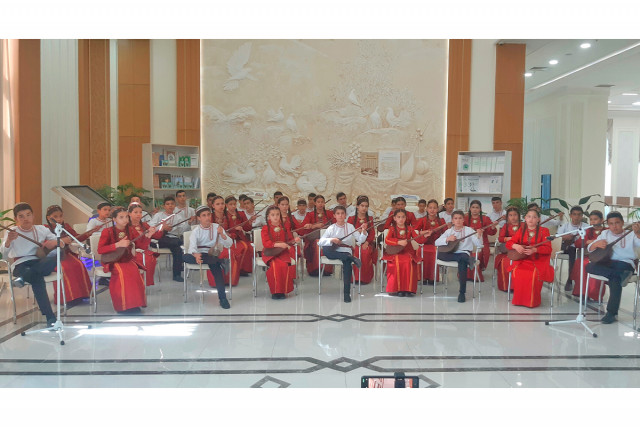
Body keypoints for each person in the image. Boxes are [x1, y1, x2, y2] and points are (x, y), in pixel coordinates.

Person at [1, 203, 59, 326]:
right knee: (37, 278)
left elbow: (56, 242)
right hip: (21, 264)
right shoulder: (12, 232)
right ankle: (50, 317)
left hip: (39, 262)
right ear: (16, 219)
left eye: (28, 215)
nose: (25, 218)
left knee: (53, 259)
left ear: (33, 216)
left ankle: (23, 278)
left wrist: (52, 243)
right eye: (21, 216)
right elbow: (4, 254)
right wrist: (9, 241)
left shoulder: (42, 229)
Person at [586, 212, 640, 324]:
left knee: (614, 280)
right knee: (589, 266)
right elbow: (590, 248)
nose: (614, 226)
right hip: (608, 263)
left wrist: (638, 234)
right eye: (611, 224)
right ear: (608, 225)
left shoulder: (632, 234)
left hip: (625, 263)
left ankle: (611, 313)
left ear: (622, 223)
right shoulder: (605, 233)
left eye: (617, 223)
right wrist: (596, 244)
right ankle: (621, 276)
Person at [97, 206, 147, 313]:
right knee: (122, 273)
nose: (125, 220)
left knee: (135, 272)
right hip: (112, 260)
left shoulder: (130, 230)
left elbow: (141, 245)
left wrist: (148, 235)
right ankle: (122, 306)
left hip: (126, 259)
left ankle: (135, 304)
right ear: (114, 219)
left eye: (126, 217)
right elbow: (100, 249)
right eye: (121, 217)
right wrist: (117, 245)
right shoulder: (107, 231)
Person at [183, 205, 232, 309]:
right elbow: (192, 248)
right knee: (185, 256)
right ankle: (221, 261)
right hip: (200, 255)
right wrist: (196, 255)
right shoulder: (196, 231)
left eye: (208, 215)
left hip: (211, 255)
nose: (207, 218)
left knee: (217, 272)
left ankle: (223, 299)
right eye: (204, 215)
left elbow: (229, 244)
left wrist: (222, 234)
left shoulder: (217, 227)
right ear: (199, 218)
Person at [505, 208, 554, 308]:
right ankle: (519, 300)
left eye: (534, 217)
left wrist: (535, 250)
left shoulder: (544, 231)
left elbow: (548, 249)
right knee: (517, 271)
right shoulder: (521, 230)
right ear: (525, 218)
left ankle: (532, 301)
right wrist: (516, 246)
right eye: (529, 216)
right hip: (523, 259)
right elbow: (509, 243)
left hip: (538, 260)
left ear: (538, 219)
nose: (531, 219)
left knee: (533, 274)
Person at [45, 205, 92, 303]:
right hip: (53, 257)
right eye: (55, 216)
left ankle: (80, 295)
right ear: (49, 218)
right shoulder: (45, 228)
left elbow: (76, 237)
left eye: (61, 216)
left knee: (79, 264)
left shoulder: (66, 227)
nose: (59, 219)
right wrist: (62, 240)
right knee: (64, 268)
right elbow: (46, 244)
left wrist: (88, 233)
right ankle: (67, 298)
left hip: (66, 254)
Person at [319, 206, 367, 302]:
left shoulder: (350, 226)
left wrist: (364, 231)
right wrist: (332, 239)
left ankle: (346, 293)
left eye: (342, 213)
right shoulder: (331, 228)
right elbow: (320, 242)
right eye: (338, 213)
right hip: (334, 251)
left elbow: (360, 240)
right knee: (326, 251)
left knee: (347, 264)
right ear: (334, 216)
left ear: (345, 215)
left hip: (345, 250)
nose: (340, 215)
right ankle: (352, 258)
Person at [435, 210, 483, 303]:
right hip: (451, 253)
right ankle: (469, 260)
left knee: (462, 262)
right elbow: (436, 242)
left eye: (460, 218)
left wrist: (479, 235)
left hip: (463, 253)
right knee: (440, 255)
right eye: (455, 218)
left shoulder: (469, 230)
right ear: (452, 220)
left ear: (463, 220)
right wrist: (447, 239)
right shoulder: (449, 231)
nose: (458, 220)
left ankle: (462, 293)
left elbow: (479, 245)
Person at [383, 209, 430, 297]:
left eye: (403, 217)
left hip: (408, 252)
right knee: (398, 261)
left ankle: (408, 289)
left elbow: (418, 240)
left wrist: (425, 236)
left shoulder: (409, 228)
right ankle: (397, 289)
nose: (401, 219)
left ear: (406, 218)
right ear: (394, 218)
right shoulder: (392, 228)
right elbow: (387, 240)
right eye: (398, 217)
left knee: (408, 261)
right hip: (395, 252)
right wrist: (398, 242)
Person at [261, 206, 300, 299]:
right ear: (268, 216)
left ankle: (282, 291)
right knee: (275, 266)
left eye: (277, 214)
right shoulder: (265, 228)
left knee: (284, 265)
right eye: (273, 215)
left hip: (283, 253)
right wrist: (278, 244)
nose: (275, 217)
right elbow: (266, 243)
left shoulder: (284, 227)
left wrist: (295, 240)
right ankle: (275, 292)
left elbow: (289, 240)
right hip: (270, 252)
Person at [207, 196, 243, 287]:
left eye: (222, 203)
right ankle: (216, 281)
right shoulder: (209, 217)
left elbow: (233, 232)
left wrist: (229, 235)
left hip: (226, 243)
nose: (221, 206)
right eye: (218, 204)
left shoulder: (228, 216)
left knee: (233, 253)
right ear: (213, 206)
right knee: (219, 254)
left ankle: (229, 280)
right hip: (213, 245)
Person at [571, 210, 606, 301]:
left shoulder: (606, 231)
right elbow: (577, 244)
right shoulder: (587, 231)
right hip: (588, 256)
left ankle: (594, 294)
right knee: (581, 262)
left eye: (595, 219)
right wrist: (587, 241)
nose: (593, 222)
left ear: (602, 220)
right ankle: (582, 292)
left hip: (602, 258)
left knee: (589, 264)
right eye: (591, 219)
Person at [150, 195, 184, 282]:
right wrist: (163, 227)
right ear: (164, 206)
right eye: (168, 204)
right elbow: (151, 226)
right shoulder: (158, 215)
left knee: (177, 249)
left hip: (172, 238)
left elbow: (182, 229)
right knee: (177, 244)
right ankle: (177, 272)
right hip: (159, 239)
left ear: (175, 205)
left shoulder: (178, 217)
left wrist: (174, 228)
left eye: (172, 204)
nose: (170, 206)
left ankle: (176, 275)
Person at [128, 203, 163, 286]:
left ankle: (145, 283)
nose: (138, 214)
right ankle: (139, 282)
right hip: (132, 252)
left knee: (150, 258)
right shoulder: (127, 227)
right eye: (135, 212)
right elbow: (134, 244)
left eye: (140, 212)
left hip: (144, 251)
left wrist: (161, 227)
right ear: (129, 214)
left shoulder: (144, 225)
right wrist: (148, 236)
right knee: (146, 259)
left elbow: (157, 236)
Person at [464, 200, 498, 282]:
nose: (475, 209)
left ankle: (478, 271)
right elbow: (461, 230)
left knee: (484, 251)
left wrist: (493, 227)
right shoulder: (465, 218)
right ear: (470, 208)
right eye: (473, 207)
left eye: (477, 207)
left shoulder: (485, 218)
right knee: (468, 252)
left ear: (480, 209)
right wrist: (469, 230)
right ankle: (468, 273)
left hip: (483, 242)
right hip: (468, 242)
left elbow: (491, 233)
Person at [415, 199, 447, 284]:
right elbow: (415, 232)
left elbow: (446, 234)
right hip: (424, 243)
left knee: (434, 252)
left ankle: (433, 278)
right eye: (430, 208)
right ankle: (422, 277)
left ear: (437, 209)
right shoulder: (422, 220)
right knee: (420, 251)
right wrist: (424, 232)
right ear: (427, 209)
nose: (432, 210)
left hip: (437, 245)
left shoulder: (442, 221)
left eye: (434, 208)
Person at [303, 194, 335, 276]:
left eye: (322, 202)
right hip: (314, 239)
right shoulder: (309, 214)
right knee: (318, 243)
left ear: (324, 203)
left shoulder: (330, 213)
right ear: (315, 203)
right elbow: (304, 227)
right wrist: (314, 226)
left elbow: (336, 225)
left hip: (327, 237)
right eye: (318, 202)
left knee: (326, 242)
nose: (320, 204)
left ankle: (327, 269)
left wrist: (328, 227)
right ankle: (315, 268)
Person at [348, 196, 377, 284]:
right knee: (356, 251)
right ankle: (354, 278)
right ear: (357, 206)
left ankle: (364, 278)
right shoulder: (351, 219)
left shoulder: (370, 219)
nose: (364, 208)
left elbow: (372, 234)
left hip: (367, 243)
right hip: (353, 243)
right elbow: (349, 232)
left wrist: (367, 242)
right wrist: (358, 231)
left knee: (365, 252)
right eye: (362, 206)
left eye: (366, 206)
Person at [557, 205, 585, 291]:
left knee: (575, 252)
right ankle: (570, 280)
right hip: (567, 248)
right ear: (570, 215)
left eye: (579, 214)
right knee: (572, 251)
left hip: (581, 249)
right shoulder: (565, 226)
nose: (577, 217)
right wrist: (565, 237)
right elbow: (557, 237)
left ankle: (574, 281)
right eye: (574, 214)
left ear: (582, 216)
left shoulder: (586, 226)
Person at [494, 206, 521, 292]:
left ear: (519, 216)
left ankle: (518, 287)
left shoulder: (523, 225)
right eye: (510, 215)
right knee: (504, 262)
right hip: (508, 250)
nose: (513, 217)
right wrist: (509, 239)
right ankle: (506, 287)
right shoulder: (506, 226)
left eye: (515, 215)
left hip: (520, 249)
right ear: (507, 217)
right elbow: (500, 238)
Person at [224, 195, 253, 275]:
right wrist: (234, 229)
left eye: (234, 204)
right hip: (230, 239)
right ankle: (236, 269)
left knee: (248, 247)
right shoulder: (224, 215)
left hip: (240, 238)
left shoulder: (241, 214)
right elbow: (225, 230)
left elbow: (247, 228)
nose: (233, 206)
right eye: (231, 204)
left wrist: (250, 222)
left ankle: (243, 269)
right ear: (226, 205)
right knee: (241, 248)